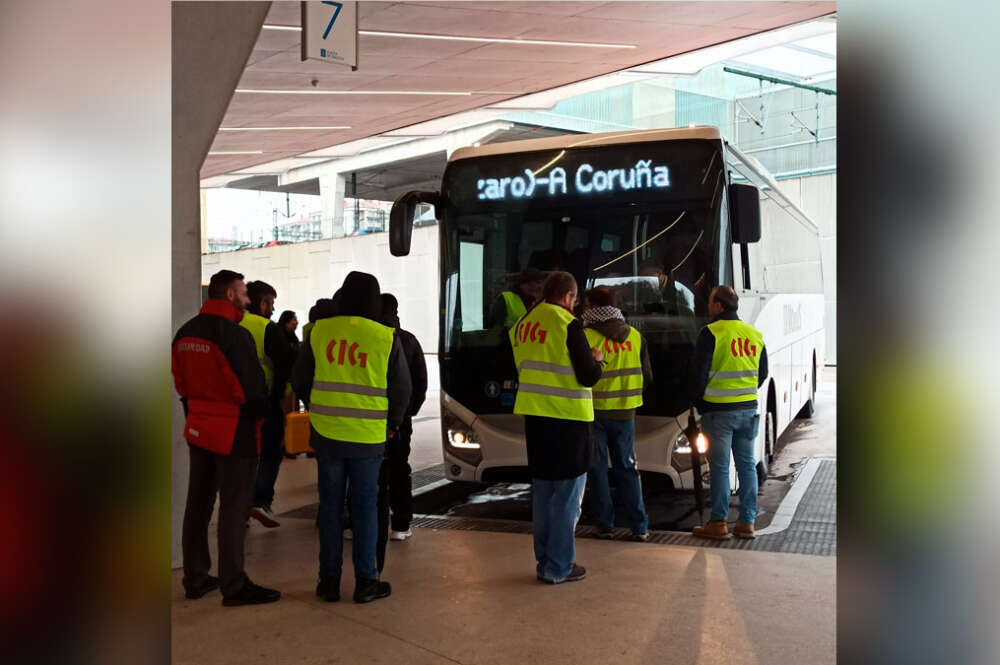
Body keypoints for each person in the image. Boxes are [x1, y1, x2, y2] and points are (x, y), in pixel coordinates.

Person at [292, 271, 412, 604]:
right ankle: (366, 581)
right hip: (368, 438)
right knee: (365, 508)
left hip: (327, 435)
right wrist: (393, 424)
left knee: (330, 508)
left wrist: (317, 407)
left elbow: (300, 379)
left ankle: (328, 582)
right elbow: (402, 389)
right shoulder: (385, 336)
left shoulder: (319, 331)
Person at [172, 269, 281, 606]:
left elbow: (181, 384)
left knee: (198, 504)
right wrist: (263, 415)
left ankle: (196, 578)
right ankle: (234, 586)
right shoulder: (233, 335)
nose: (248, 300)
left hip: (199, 429)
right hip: (235, 433)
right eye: (244, 293)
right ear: (231, 295)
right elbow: (251, 390)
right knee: (234, 508)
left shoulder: (185, 332)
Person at [510, 271, 603, 584]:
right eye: (574, 300)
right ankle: (559, 566)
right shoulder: (567, 323)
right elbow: (587, 375)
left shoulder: (524, 324)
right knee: (566, 498)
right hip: (569, 421)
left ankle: (544, 563)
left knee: (544, 495)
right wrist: (596, 359)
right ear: (568, 296)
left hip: (536, 420)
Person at [688, 286, 769, 540]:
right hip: (748, 410)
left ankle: (718, 522)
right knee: (747, 466)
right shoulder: (754, 334)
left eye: (710, 301)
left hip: (718, 413)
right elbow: (763, 373)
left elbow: (698, 375)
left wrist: (698, 403)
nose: (708, 306)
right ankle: (747, 523)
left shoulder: (711, 332)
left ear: (719, 306)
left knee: (720, 467)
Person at [581, 286, 653, 541]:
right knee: (628, 468)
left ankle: (604, 525)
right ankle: (639, 527)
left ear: (593, 307)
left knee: (597, 469)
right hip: (626, 414)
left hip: (594, 414)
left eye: (586, 306)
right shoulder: (635, 336)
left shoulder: (585, 337)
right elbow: (647, 376)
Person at [376, 293, 428, 560]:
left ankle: (365, 524)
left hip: (369, 417)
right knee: (399, 469)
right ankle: (401, 524)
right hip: (398, 419)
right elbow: (419, 381)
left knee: (372, 473)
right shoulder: (407, 340)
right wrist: (408, 412)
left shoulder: (370, 337)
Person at [242, 281, 296, 528]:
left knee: (240, 457)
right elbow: (284, 367)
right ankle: (261, 501)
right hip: (264, 402)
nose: (273, 309)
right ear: (263, 303)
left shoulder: (233, 323)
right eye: (272, 303)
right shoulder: (267, 328)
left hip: (234, 404)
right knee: (270, 452)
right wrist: (276, 398)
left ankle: (239, 506)